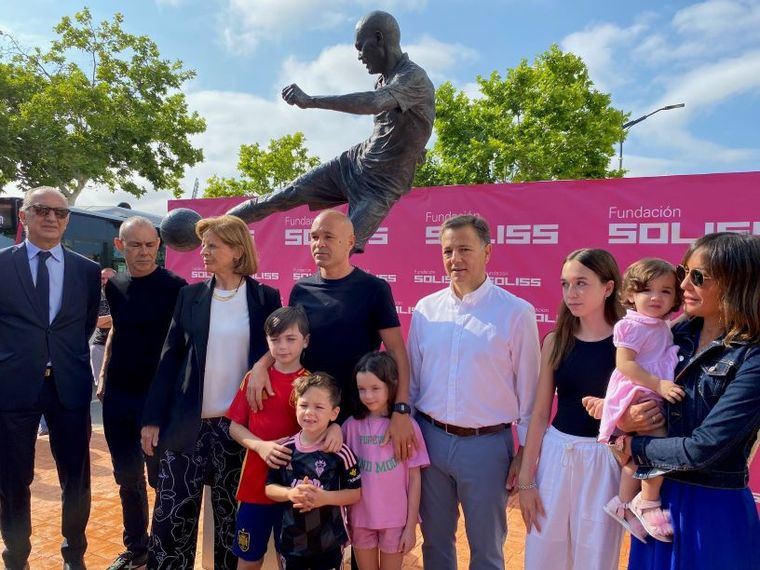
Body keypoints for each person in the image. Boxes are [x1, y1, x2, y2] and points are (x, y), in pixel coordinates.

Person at [227, 10, 434, 253]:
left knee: (340, 251)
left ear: (378, 39)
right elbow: (394, 127)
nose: (358, 56)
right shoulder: (383, 80)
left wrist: (311, 100)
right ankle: (212, 228)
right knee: (283, 195)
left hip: (380, 187)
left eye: (361, 47)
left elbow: (374, 103)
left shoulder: (413, 77)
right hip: (352, 164)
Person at [140, 215, 281, 569]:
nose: (203, 251)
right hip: (187, 425)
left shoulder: (265, 297)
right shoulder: (190, 296)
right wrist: (152, 418)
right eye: (203, 245)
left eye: (212, 245)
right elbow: (169, 358)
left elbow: (283, 346)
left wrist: (263, 363)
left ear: (237, 251)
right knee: (171, 523)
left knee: (232, 524)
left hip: (237, 430)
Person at [615, 233, 760, 570]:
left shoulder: (753, 356)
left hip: (712, 512)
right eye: (684, 272)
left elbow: (704, 448)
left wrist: (633, 445)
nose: (682, 285)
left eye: (698, 277)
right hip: (656, 502)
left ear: (736, 283)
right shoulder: (671, 334)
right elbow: (627, 389)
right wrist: (625, 420)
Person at [408, 214, 541, 570]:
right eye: (447, 250)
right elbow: (414, 380)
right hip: (431, 443)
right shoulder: (425, 309)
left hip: (488, 448)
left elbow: (530, 392)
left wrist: (524, 453)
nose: (455, 259)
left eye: (465, 249)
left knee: (486, 548)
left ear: (488, 252)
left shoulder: (516, 313)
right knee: (435, 542)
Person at [248, 210, 416, 460]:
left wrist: (401, 410)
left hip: (358, 415)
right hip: (310, 415)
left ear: (350, 242)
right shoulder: (301, 290)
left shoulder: (374, 289)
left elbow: (397, 353)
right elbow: (288, 342)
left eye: (328, 236)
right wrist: (261, 366)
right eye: (314, 237)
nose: (319, 244)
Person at [0, 186, 100, 570]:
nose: (51, 218)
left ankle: (74, 554)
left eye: (60, 213)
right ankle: (16, 557)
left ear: (67, 220)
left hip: (69, 388)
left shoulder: (86, 271)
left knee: (76, 478)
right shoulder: (2, 265)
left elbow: (83, 325)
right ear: (24, 216)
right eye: (42, 210)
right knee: (12, 479)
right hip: (13, 388)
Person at [518, 248, 625, 570]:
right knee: (543, 553)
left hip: (604, 460)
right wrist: (526, 480)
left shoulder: (628, 343)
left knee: (595, 556)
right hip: (555, 455)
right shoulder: (556, 340)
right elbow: (539, 414)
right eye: (565, 284)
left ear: (608, 287)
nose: (571, 293)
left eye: (581, 283)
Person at [96, 216, 187, 570]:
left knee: (161, 480)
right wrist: (103, 372)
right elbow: (117, 330)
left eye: (150, 244)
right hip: (118, 399)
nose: (144, 252)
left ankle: (164, 550)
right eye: (135, 245)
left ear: (159, 245)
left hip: (157, 401)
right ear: (120, 246)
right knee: (127, 478)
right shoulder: (114, 286)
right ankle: (137, 549)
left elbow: (181, 348)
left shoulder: (176, 288)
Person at [597, 259, 683, 543]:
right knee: (657, 444)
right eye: (647, 290)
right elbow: (625, 364)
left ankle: (622, 504)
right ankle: (648, 501)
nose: (656, 297)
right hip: (638, 390)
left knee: (636, 455)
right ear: (631, 294)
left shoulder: (659, 323)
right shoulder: (632, 325)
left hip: (648, 389)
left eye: (666, 291)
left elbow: (672, 328)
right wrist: (658, 384)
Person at [226, 306, 314, 569]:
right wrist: (261, 446)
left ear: (305, 341)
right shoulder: (254, 379)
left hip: (294, 488)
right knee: (249, 558)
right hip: (255, 486)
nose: (282, 346)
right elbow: (234, 427)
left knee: (291, 559)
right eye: (275, 340)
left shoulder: (311, 384)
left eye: (290, 339)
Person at [265, 373, 362, 570]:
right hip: (292, 544)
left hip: (329, 544)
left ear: (334, 413)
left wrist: (323, 498)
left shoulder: (341, 452)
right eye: (304, 405)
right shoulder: (285, 449)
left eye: (319, 407)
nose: (309, 412)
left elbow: (355, 493)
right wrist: (289, 493)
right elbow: (269, 488)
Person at [342, 351, 429, 570]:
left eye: (375, 388)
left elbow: (415, 479)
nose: (368, 396)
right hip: (360, 520)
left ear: (391, 386)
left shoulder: (407, 428)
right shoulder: (350, 426)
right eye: (362, 389)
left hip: (395, 522)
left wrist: (411, 526)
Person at [90, 267, 115, 386]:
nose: (104, 281)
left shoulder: (125, 295)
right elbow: (95, 322)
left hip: (120, 347)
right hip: (99, 346)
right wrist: (117, 315)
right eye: (102, 278)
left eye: (107, 279)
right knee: (101, 386)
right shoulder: (95, 298)